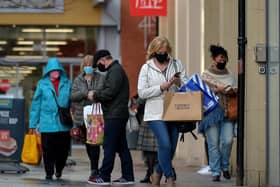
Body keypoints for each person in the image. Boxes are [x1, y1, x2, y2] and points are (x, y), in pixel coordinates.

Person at [137, 36, 187, 187]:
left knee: (171, 148)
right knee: (164, 144)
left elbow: (187, 85)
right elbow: (141, 92)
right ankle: (170, 177)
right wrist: (161, 87)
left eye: (165, 51)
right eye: (159, 51)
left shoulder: (176, 64)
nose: (162, 54)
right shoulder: (146, 68)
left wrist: (178, 82)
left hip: (174, 111)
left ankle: (157, 174)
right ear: (154, 51)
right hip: (155, 113)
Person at [87, 49, 135, 185]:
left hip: (114, 115)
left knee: (109, 145)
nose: (99, 68)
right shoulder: (116, 70)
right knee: (121, 146)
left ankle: (104, 176)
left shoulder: (115, 71)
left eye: (98, 64)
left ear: (103, 60)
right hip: (117, 113)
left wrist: (95, 95)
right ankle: (128, 176)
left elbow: (110, 92)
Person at [29, 57, 72, 180]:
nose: (55, 72)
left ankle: (59, 169)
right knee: (48, 151)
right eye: (52, 70)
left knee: (63, 151)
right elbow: (36, 105)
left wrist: (75, 122)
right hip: (47, 123)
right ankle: (49, 172)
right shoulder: (42, 84)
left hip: (63, 124)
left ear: (61, 71)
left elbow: (72, 103)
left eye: (57, 70)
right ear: (48, 71)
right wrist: (33, 124)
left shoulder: (67, 83)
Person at [200, 44, 237, 182]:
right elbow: (201, 93)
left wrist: (231, 90)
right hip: (211, 114)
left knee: (227, 141)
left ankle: (225, 167)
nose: (222, 61)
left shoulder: (231, 74)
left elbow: (236, 90)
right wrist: (217, 89)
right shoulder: (205, 75)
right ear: (214, 59)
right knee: (213, 143)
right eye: (220, 58)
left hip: (228, 112)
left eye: (225, 58)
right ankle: (215, 171)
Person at [70, 55, 105, 181]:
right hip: (81, 117)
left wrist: (92, 93)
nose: (88, 67)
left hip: (95, 116)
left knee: (94, 143)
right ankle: (94, 166)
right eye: (86, 64)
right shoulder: (78, 79)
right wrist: (86, 93)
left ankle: (94, 169)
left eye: (91, 64)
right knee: (88, 144)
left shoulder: (100, 77)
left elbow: (100, 91)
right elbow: (73, 96)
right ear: (83, 66)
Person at [135, 94, 158, 184]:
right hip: (149, 116)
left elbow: (140, 99)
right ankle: (150, 173)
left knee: (151, 151)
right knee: (151, 151)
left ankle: (153, 173)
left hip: (151, 117)